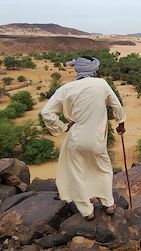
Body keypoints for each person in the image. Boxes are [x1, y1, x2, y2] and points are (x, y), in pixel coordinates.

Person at [41, 56, 126, 221]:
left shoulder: (65, 89)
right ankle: (109, 204)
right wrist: (120, 123)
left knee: (77, 173)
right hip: (97, 141)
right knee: (103, 169)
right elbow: (116, 105)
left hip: (76, 139)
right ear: (94, 70)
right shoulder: (101, 84)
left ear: (77, 71)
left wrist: (62, 127)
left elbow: (46, 112)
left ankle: (87, 212)